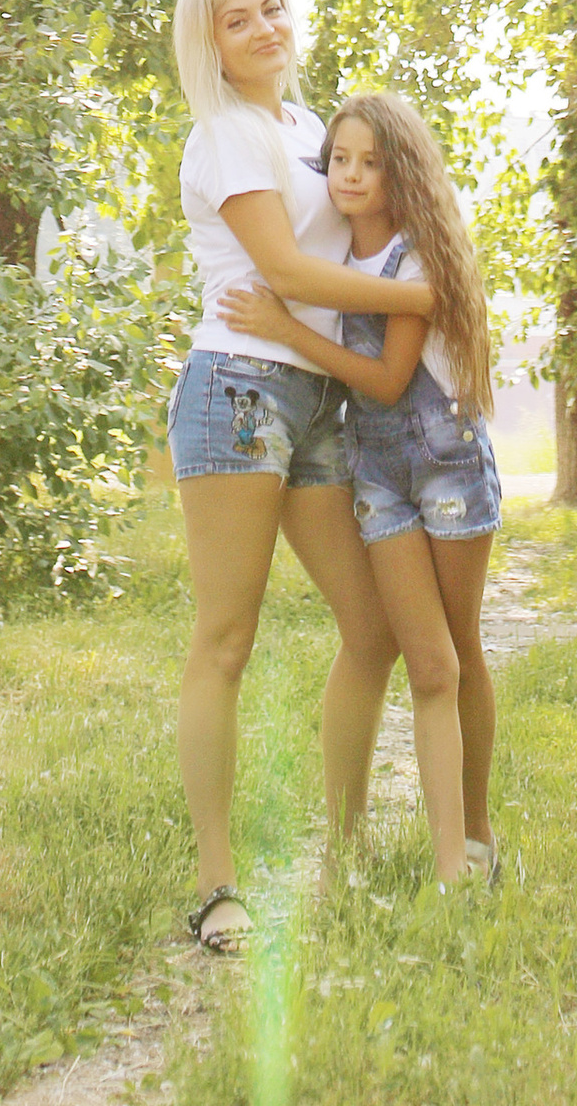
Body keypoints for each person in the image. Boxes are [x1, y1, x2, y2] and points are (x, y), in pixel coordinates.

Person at [165, 0, 449, 958]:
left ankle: (345, 858)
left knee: (371, 631)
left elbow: (352, 239)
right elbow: (283, 269)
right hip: (236, 393)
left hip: (317, 392)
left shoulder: (306, 129)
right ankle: (215, 887)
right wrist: (428, 298)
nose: (264, 27)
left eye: (271, 8)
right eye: (238, 20)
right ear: (211, 43)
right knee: (226, 639)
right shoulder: (226, 133)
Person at [227, 87, 503, 891]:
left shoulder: (416, 258)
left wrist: (286, 329)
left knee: (462, 649)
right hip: (378, 474)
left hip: (445, 462)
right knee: (428, 666)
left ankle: (476, 837)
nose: (349, 174)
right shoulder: (328, 263)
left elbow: (385, 382)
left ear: (401, 173)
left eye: (369, 162)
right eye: (338, 159)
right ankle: (448, 865)